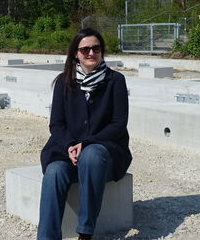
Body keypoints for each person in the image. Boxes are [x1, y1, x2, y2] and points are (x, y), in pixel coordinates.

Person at [37, 28, 132, 240]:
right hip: (67, 151)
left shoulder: (115, 81)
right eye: (85, 49)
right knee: (54, 173)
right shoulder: (64, 82)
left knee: (90, 155)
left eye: (96, 48)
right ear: (75, 54)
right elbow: (57, 124)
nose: (91, 53)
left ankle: (85, 232)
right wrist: (70, 145)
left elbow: (118, 124)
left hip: (104, 153)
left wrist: (87, 142)